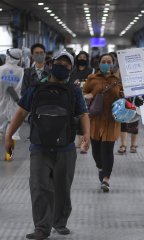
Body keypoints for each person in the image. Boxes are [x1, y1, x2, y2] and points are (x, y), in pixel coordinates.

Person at [4, 50, 90, 240]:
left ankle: (59, 222)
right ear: (51, 65)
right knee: (39, 187)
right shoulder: (35, 89)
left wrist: (87, 135)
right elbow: (21, 112)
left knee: (62, 187)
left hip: (65, 149)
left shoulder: (74, 91)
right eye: (60, 63)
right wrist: (9, 135)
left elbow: (83, 114)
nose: (63, 67)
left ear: (71, 69)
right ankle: (42, 228)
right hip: (39, 148)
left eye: (67, 65)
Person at [83, 53, 123, 193]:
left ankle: (106, 178)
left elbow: (123, 95)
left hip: (111, 120)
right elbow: (84, 93)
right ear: (99, 63)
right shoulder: (92, 78)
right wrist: (88, 96)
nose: (106, 63)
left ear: (113, 64)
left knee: (108, 150)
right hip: (95, 120)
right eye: (104, 61)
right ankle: (100, 167)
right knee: (96, 151)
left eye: (109, 61)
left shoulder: (118, 80)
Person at [69, 51, 94, 154]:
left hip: (87, 98)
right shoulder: (72, 71)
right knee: (76, 120)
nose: (82, 59)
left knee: (84, 120)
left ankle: (84, 143)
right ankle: (78, 142)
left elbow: (92, 84)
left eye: (84, 57)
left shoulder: (91, 70)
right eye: (80, 57)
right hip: (74, 97)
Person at [0, 48, 24, 147]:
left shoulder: (0, 69)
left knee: (1, 129)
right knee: (13, 131)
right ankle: (9, 154)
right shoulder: (22, 71)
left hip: (1, 102)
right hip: (16, 103)